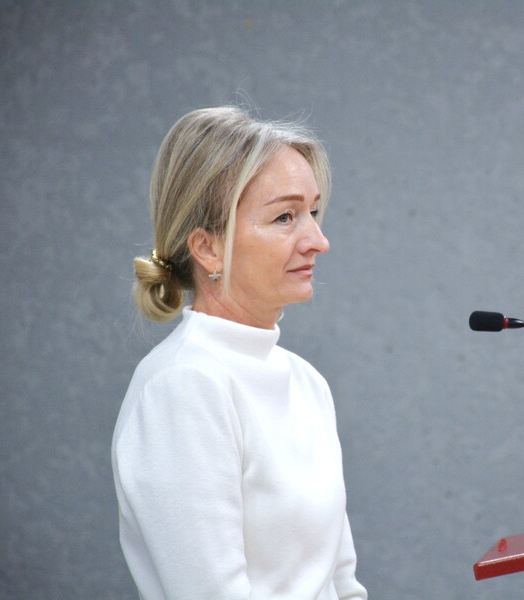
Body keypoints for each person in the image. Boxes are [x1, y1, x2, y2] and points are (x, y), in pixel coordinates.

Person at [112, 106, 368, 600]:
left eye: (313, 212)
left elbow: (342, 585)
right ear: (208, 248)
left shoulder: (306, 382)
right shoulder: (183, 387)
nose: (318, 241)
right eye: (285, 217)